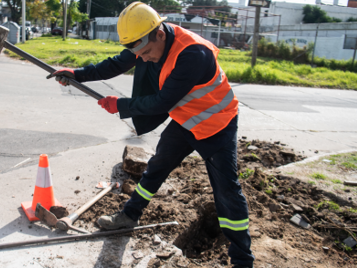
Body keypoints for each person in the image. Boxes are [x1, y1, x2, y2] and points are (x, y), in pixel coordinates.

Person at [48, 2, 254, 267]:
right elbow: (115, 64)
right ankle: (128, 216)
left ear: (160, 33)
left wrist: (120, 104)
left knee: (226, 191)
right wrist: (77, 74)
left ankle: (242, 260)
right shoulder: (145, 39)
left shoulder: (193, 53)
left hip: (217, 125)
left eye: (146, 52)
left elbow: (161, 102)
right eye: (139, 54)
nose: (143, 59)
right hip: (185, 121)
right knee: (156, 168)